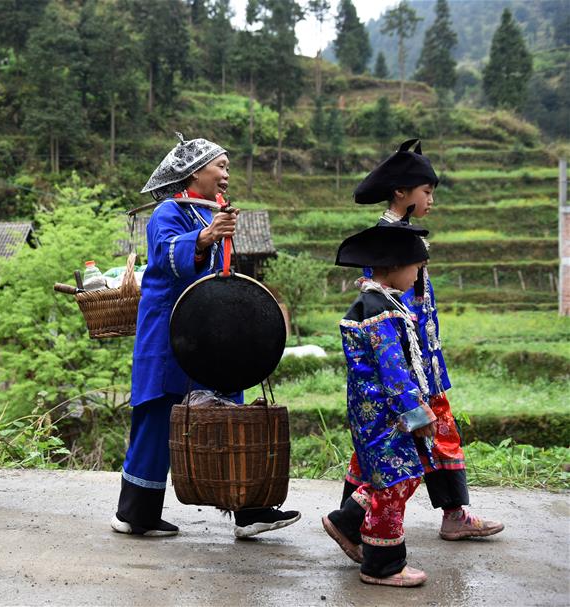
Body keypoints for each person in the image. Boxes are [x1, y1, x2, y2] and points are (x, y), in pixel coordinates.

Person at [111, 133, 300, 538]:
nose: (227, 173)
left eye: (228, 166)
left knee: (231, 410)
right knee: (158, 417)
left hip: (211, 334)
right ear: (195, 172)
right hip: (168, 334)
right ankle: (135, 513)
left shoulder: (210, 211)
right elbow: (165, 256)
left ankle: (249, 509)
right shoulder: (169, 212)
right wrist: (204, 238)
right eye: (221, 166)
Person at [327, 139, 503, 550]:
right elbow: (389, 310)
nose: (431, 199)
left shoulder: (405, 234)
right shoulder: (387, 240)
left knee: (399, 443)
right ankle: (364, 520)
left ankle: (354, 520)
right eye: (426, 192)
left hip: (421, 359)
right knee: (416, 438)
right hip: (406, 366)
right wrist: (412, 372)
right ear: (402, 193)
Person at [324, 221, 438, 587]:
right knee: (396, 480)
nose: (418, 275)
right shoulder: (381, 311)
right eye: (416, 267)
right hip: (387, 414)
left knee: (391, 475)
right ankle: (383, 565)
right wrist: (417, 414)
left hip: (370, 412)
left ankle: (346, 522)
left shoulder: (378, 302)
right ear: (393, 266)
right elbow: (393, 368)